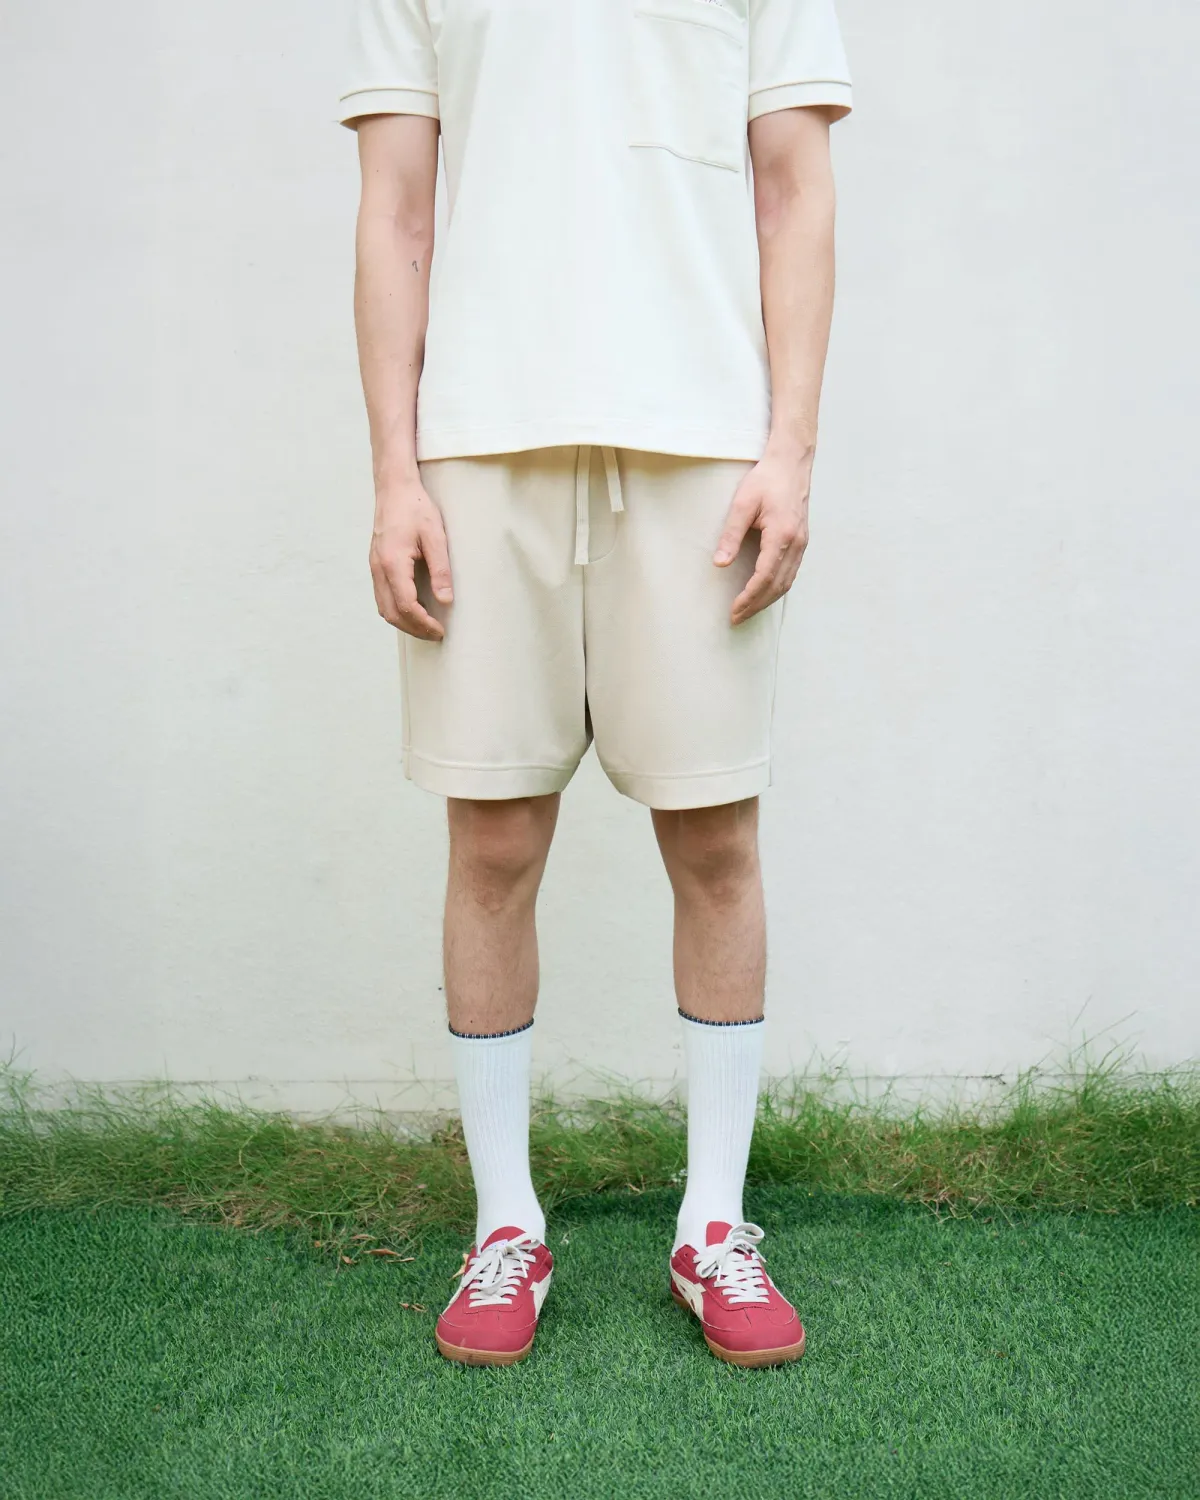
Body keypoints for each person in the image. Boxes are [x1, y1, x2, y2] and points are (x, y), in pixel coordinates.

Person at [339, 0, 851, 1368]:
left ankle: (714, 1225)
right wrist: (394, 475)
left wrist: (789, 452)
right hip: (477, 444)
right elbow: (395, 207)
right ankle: (505, 1224)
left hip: (701, 443)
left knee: (716, 835)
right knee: (494, 836)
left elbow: (796, 188)